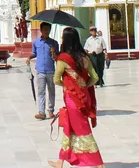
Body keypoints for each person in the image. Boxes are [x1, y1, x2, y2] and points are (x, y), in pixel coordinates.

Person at [52, 27, 104, 168]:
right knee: (69, 127)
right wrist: (83, 85)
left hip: (72, 99)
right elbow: (95, 77)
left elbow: (56, 79)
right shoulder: (84, 57)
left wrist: (67, 85)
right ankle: (61, 160)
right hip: (84, 96)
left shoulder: (63, 59)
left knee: (82, 128)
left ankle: (99, 163)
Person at [27, 21, 60, 120]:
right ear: (41, 30)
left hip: (51, 71)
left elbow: (57, 58)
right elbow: (34, 53)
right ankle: (41, 112)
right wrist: (29, 57)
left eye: (48, 29)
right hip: (40, 70)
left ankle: (50, 110)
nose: (46, 31)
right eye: (44, 29)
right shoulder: (36, 42)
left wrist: (54, 52)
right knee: (41, 91)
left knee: (51, 91)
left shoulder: (54, 43)